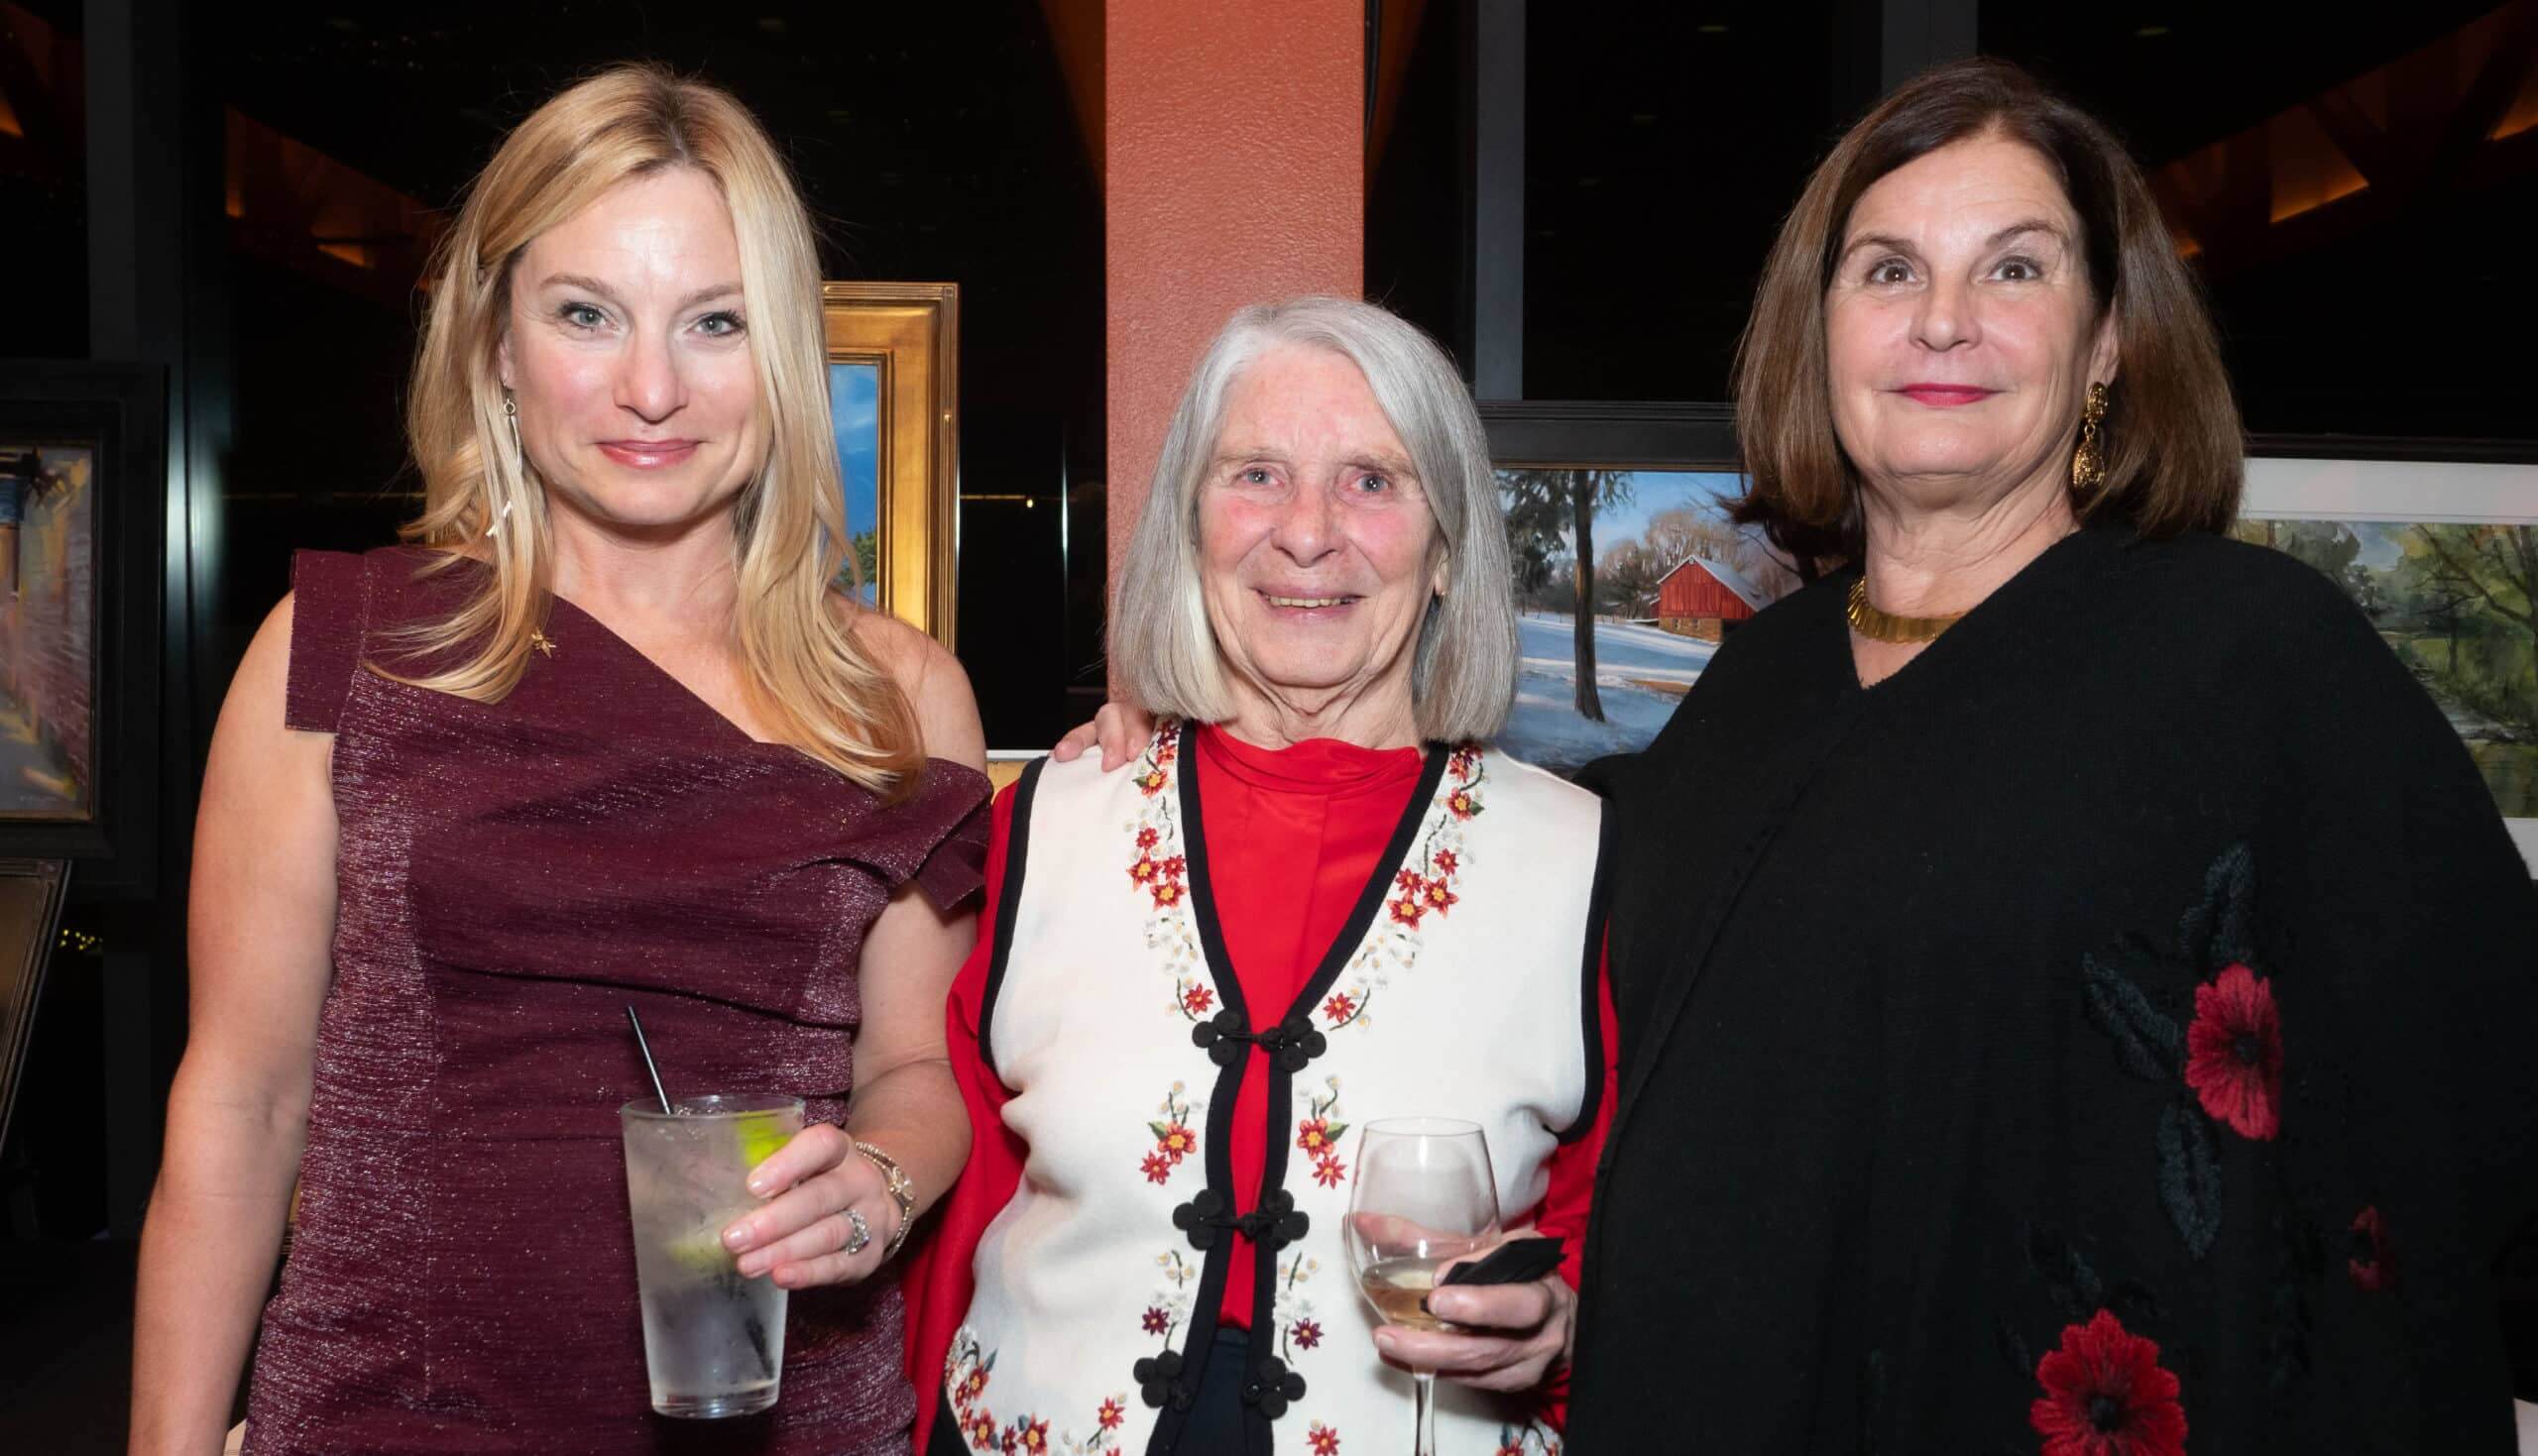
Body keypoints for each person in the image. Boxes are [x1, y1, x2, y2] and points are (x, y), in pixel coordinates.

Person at [1557, 59, 2537, 1452]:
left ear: (2107, 340)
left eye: (2014, 269)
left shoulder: (2255, 661)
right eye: (1888, 271)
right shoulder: (1754, 694)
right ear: (1820, 330)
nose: (1943, 319)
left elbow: (2488, 1076)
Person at [130, 65, 988, 1456]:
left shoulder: (897, 697)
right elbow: (241, 1098)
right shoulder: (341, 650)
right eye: (586, 314)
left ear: (778, 353)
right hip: (391, 1416)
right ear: (498, 347)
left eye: (714, 323)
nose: (650, 388)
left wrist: (881, 1183)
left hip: (786, 1416)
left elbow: (919, 1068)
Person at [905, 297, 1617, 1455]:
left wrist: (1562, 1323)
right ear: (1190, 525)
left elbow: (1617, 1223)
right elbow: (967, 1195)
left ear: (1447, 549)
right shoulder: (1048, 823)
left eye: (1372, 481)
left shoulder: (1585, 859)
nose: (1305, 533)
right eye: (1256, 474)